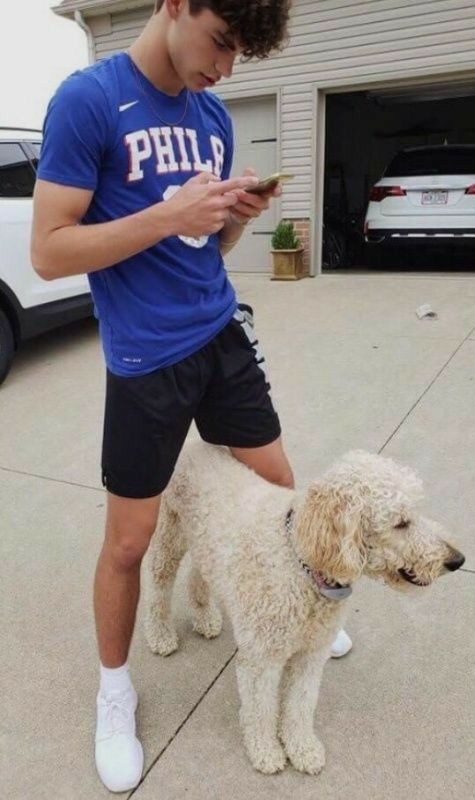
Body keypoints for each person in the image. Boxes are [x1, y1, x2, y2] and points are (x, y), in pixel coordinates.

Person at [31, 0, 351, 792]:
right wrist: (166, 212)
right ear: (175, 5)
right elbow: (47, 252)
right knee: (131, 544)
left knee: (281, 490)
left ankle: (297, 612)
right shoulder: (89, 100)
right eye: (220, 42)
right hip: (145, 361)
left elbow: (203, 246)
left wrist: (229, 218)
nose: (225, 68)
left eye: (241, 53)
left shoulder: (211, 117)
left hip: (220, 334)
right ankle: (114, 691)